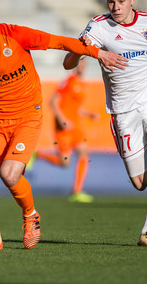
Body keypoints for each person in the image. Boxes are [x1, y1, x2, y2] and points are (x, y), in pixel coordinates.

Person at [0, 0, 128, 251]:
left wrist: (98, 53)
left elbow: (60, 42)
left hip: (28, 116)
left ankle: (30, 215)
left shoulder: (15, 35)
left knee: (8, 174)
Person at [64, 0, 147, 248]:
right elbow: (68, 63)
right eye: (111, 2)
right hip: (124, 110)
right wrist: (83, 48)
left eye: (121, 1)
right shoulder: (98, 27)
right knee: (140, 182)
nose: (116, 7)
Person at [31, 58, 96, 203]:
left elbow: (76, 108)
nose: (81, 65)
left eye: (83, 62)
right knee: (65, 162)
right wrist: (62, 120)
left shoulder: (82, 84)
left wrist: (89, 114)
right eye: (79, 62)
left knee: (84, 152)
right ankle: (38, 154)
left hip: (75, 127)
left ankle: (77, 191)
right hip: (64, 128)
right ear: (74, 64)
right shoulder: (68, 80)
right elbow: (52, 101)